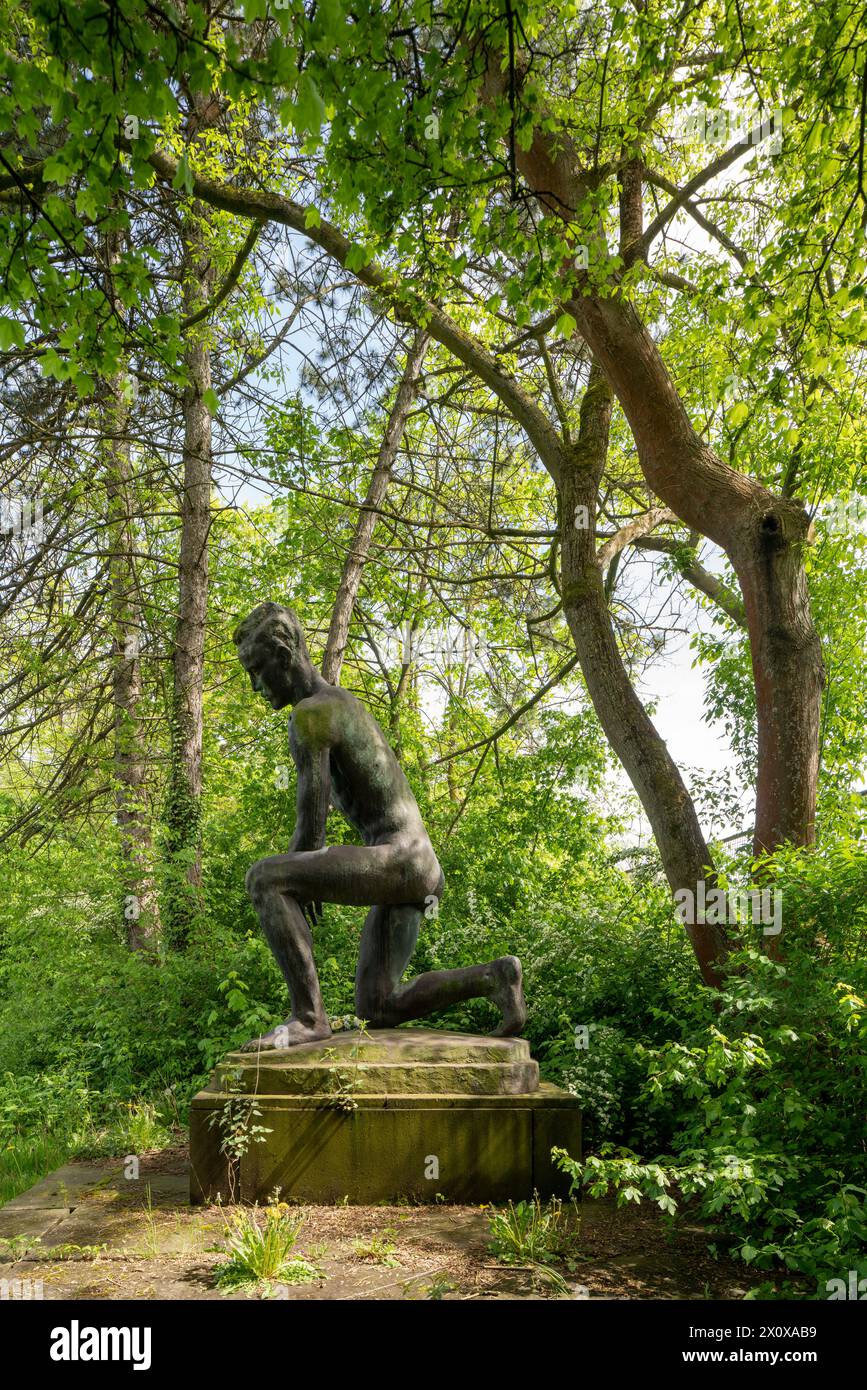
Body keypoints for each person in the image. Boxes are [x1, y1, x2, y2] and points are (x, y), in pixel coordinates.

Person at [233, 602, 526, 1049]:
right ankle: (493, 978)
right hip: (417, 867)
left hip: (400, 860)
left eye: (256, 670)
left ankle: (308, 1018)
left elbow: (312, 831)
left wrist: (291, 880)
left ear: (284, 655)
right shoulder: (340, 702)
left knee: (264, 879)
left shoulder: (311, 715)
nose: (254, 687)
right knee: (379, 1005)